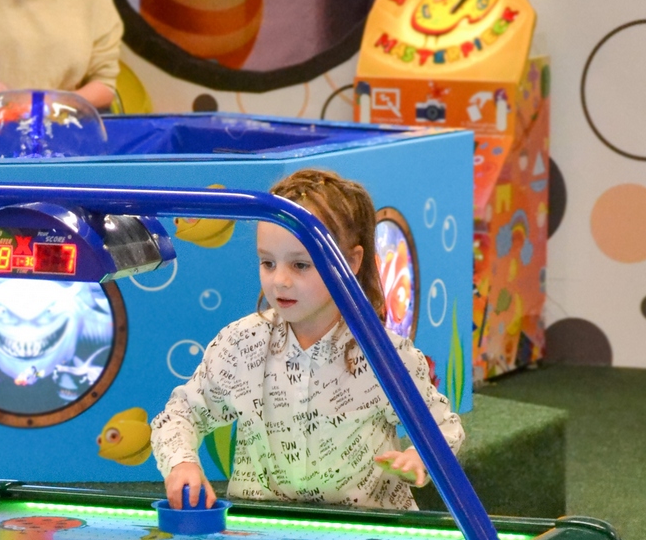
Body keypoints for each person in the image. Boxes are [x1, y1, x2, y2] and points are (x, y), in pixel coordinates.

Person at [151, 168, 465, 511]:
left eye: (300, 265)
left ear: (350, 261)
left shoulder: (385, 355)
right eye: (268, 263)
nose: (280, 281)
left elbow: (443, 427)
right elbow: (180, 413)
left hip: (368, 533)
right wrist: (182, 463)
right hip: (264, 531)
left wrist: (419, 456)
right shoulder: (241, 344)